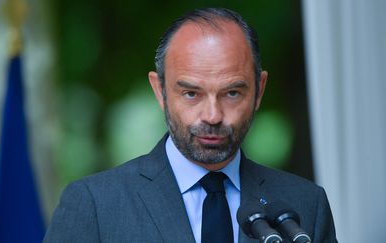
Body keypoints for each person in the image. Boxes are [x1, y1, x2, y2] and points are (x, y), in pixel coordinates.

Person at [44, 7, 337, 243]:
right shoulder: (96, 204)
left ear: (259, 90)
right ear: (159, 91)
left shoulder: (306, 205)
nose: (212, 115)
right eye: (191, 93)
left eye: (232, 93)